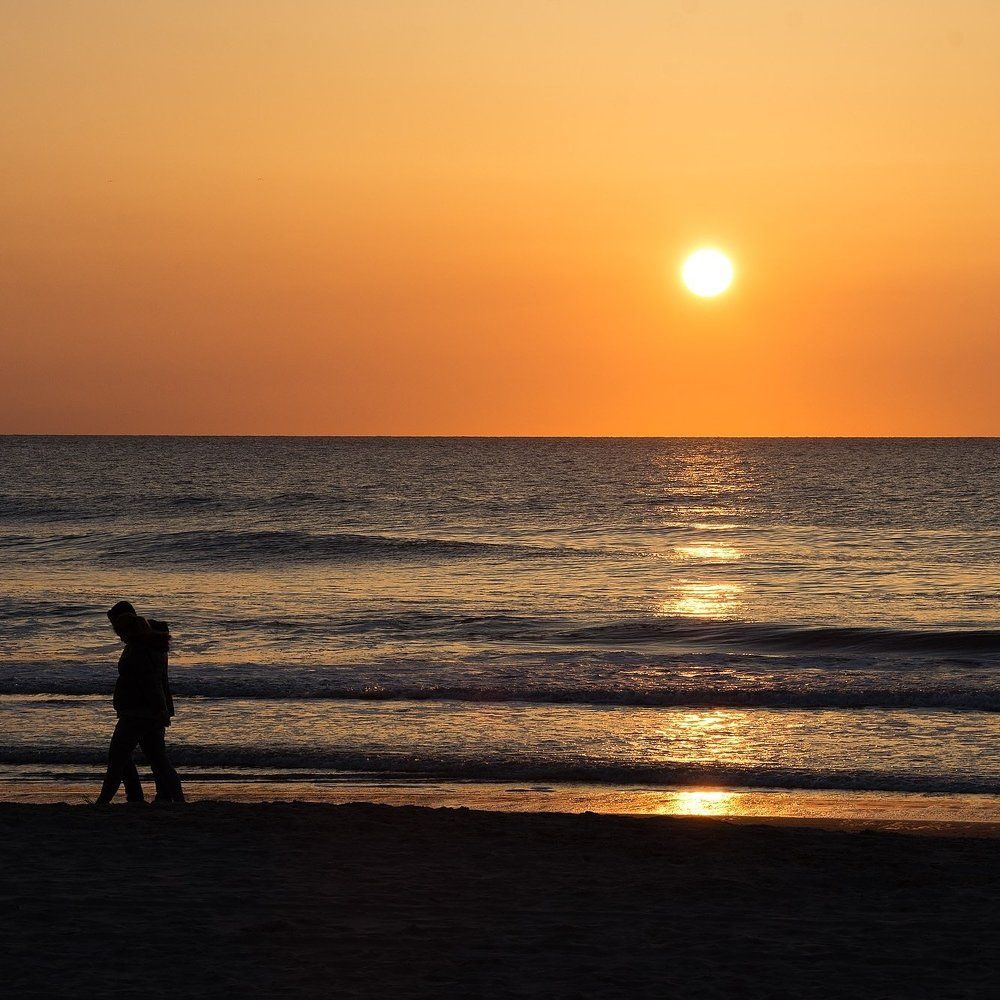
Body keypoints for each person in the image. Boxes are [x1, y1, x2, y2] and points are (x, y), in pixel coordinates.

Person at [96, 600, 185, 804]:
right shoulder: (152, 641)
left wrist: (160, 709)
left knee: (118, 758)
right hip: (149, 712)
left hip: (138, 713)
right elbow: (156, 683)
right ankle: (173, 799)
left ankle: (109, 801)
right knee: (158, 760)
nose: (117, 635)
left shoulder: (139, 649)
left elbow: (151, 684)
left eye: (117, 629)